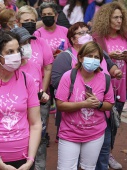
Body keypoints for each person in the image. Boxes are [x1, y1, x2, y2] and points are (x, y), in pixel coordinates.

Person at [55, 41, 114, 169]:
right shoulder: (68, 76)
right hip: (69, 133)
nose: (93, 60)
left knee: (89, 167)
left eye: (96, 57)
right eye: (89, 56)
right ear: (80, 58)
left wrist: (98, 104)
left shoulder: (105, 78)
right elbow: (60, 105)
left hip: (95, 133)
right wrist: (83, 104)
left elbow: (109, 104)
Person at [92, 1, 127, 169]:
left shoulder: (125, 36)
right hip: (102, 86)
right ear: (106, 18)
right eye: (115, 17)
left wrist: (126, 57)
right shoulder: (98, 37)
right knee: (100, 122)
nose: (119, 20)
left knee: (115, 123)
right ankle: (95, 154)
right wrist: (109, 55)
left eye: (120, 17)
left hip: (121, 84)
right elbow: (92, 58)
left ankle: (108, 153)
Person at [16, 5, 54, 170]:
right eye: (26, 21)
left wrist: (43, 90)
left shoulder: (41, 43)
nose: (30, 23)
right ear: (18, 22)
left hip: (39, 97)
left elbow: (47, 68)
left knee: (40, 135)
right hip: (17, 97)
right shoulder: (11, 43)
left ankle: (39, 166)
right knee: (19, 133)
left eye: (32, 20)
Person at [0, 31, 42, 169]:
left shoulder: (26, 79)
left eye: (18, 50)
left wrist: (30, 160)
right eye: (10, 51)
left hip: (23, 159)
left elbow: (35, 124)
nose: (16, 55)